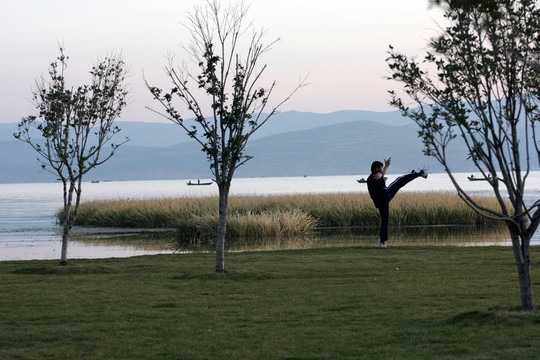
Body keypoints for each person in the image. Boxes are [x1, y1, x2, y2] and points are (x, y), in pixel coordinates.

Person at [366, 157, 428, 248]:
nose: (382, 170)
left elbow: (381, 175)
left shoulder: (369, 179)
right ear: (376, 168)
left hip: (379, 202)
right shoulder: (375, 174)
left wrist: (386, 166)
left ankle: (382, 243)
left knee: (385, 220)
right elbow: (379, 175)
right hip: (384, 195)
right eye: (381, 167)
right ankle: (419, 173)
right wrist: (380, 174)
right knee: (399, 180)